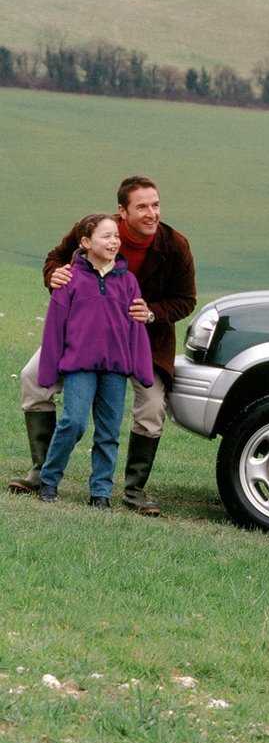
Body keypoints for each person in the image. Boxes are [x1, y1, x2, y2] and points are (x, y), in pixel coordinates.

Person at [10, 176, 196, 514]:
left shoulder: (175, 245)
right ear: (123, 211)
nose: (152, 213)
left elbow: (186, 300)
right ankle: (41, 474)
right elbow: (56, 258)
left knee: (152, 407)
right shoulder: (98, 229)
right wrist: (53, 274)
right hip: (83, 337)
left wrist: (151, 313)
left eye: (156, 204)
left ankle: (134, 491)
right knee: (31, 379)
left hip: (144, 340)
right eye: (142, 207)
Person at [36, 213, 154, 506]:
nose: (114, 241)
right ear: (86, 242)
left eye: (116, 236)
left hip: (115, 370)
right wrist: (48, 370)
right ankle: (48, 481)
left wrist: (142, 370)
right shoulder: (70, 279)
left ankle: (100, 493)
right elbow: (54, 327)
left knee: (109, 432)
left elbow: (136, 329)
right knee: (73, 422)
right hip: (80, 367)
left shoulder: (128, 281)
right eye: (106, 236)